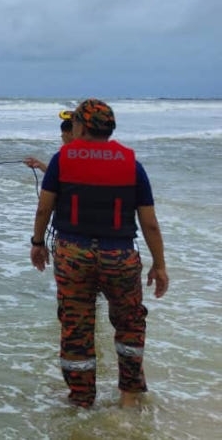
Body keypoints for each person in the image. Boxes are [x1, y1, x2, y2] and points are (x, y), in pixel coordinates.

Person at [30, 98, 168, 409]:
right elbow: (149, 222)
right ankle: (129, 396)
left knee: (76, 326)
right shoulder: (132, 165)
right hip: (120, 255)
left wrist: (37, 243)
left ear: (80, 126)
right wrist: (159, 265)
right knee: (129, 324)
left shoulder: (62, 160)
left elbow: (44, 208)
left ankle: (81, 399)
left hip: (73, 255)